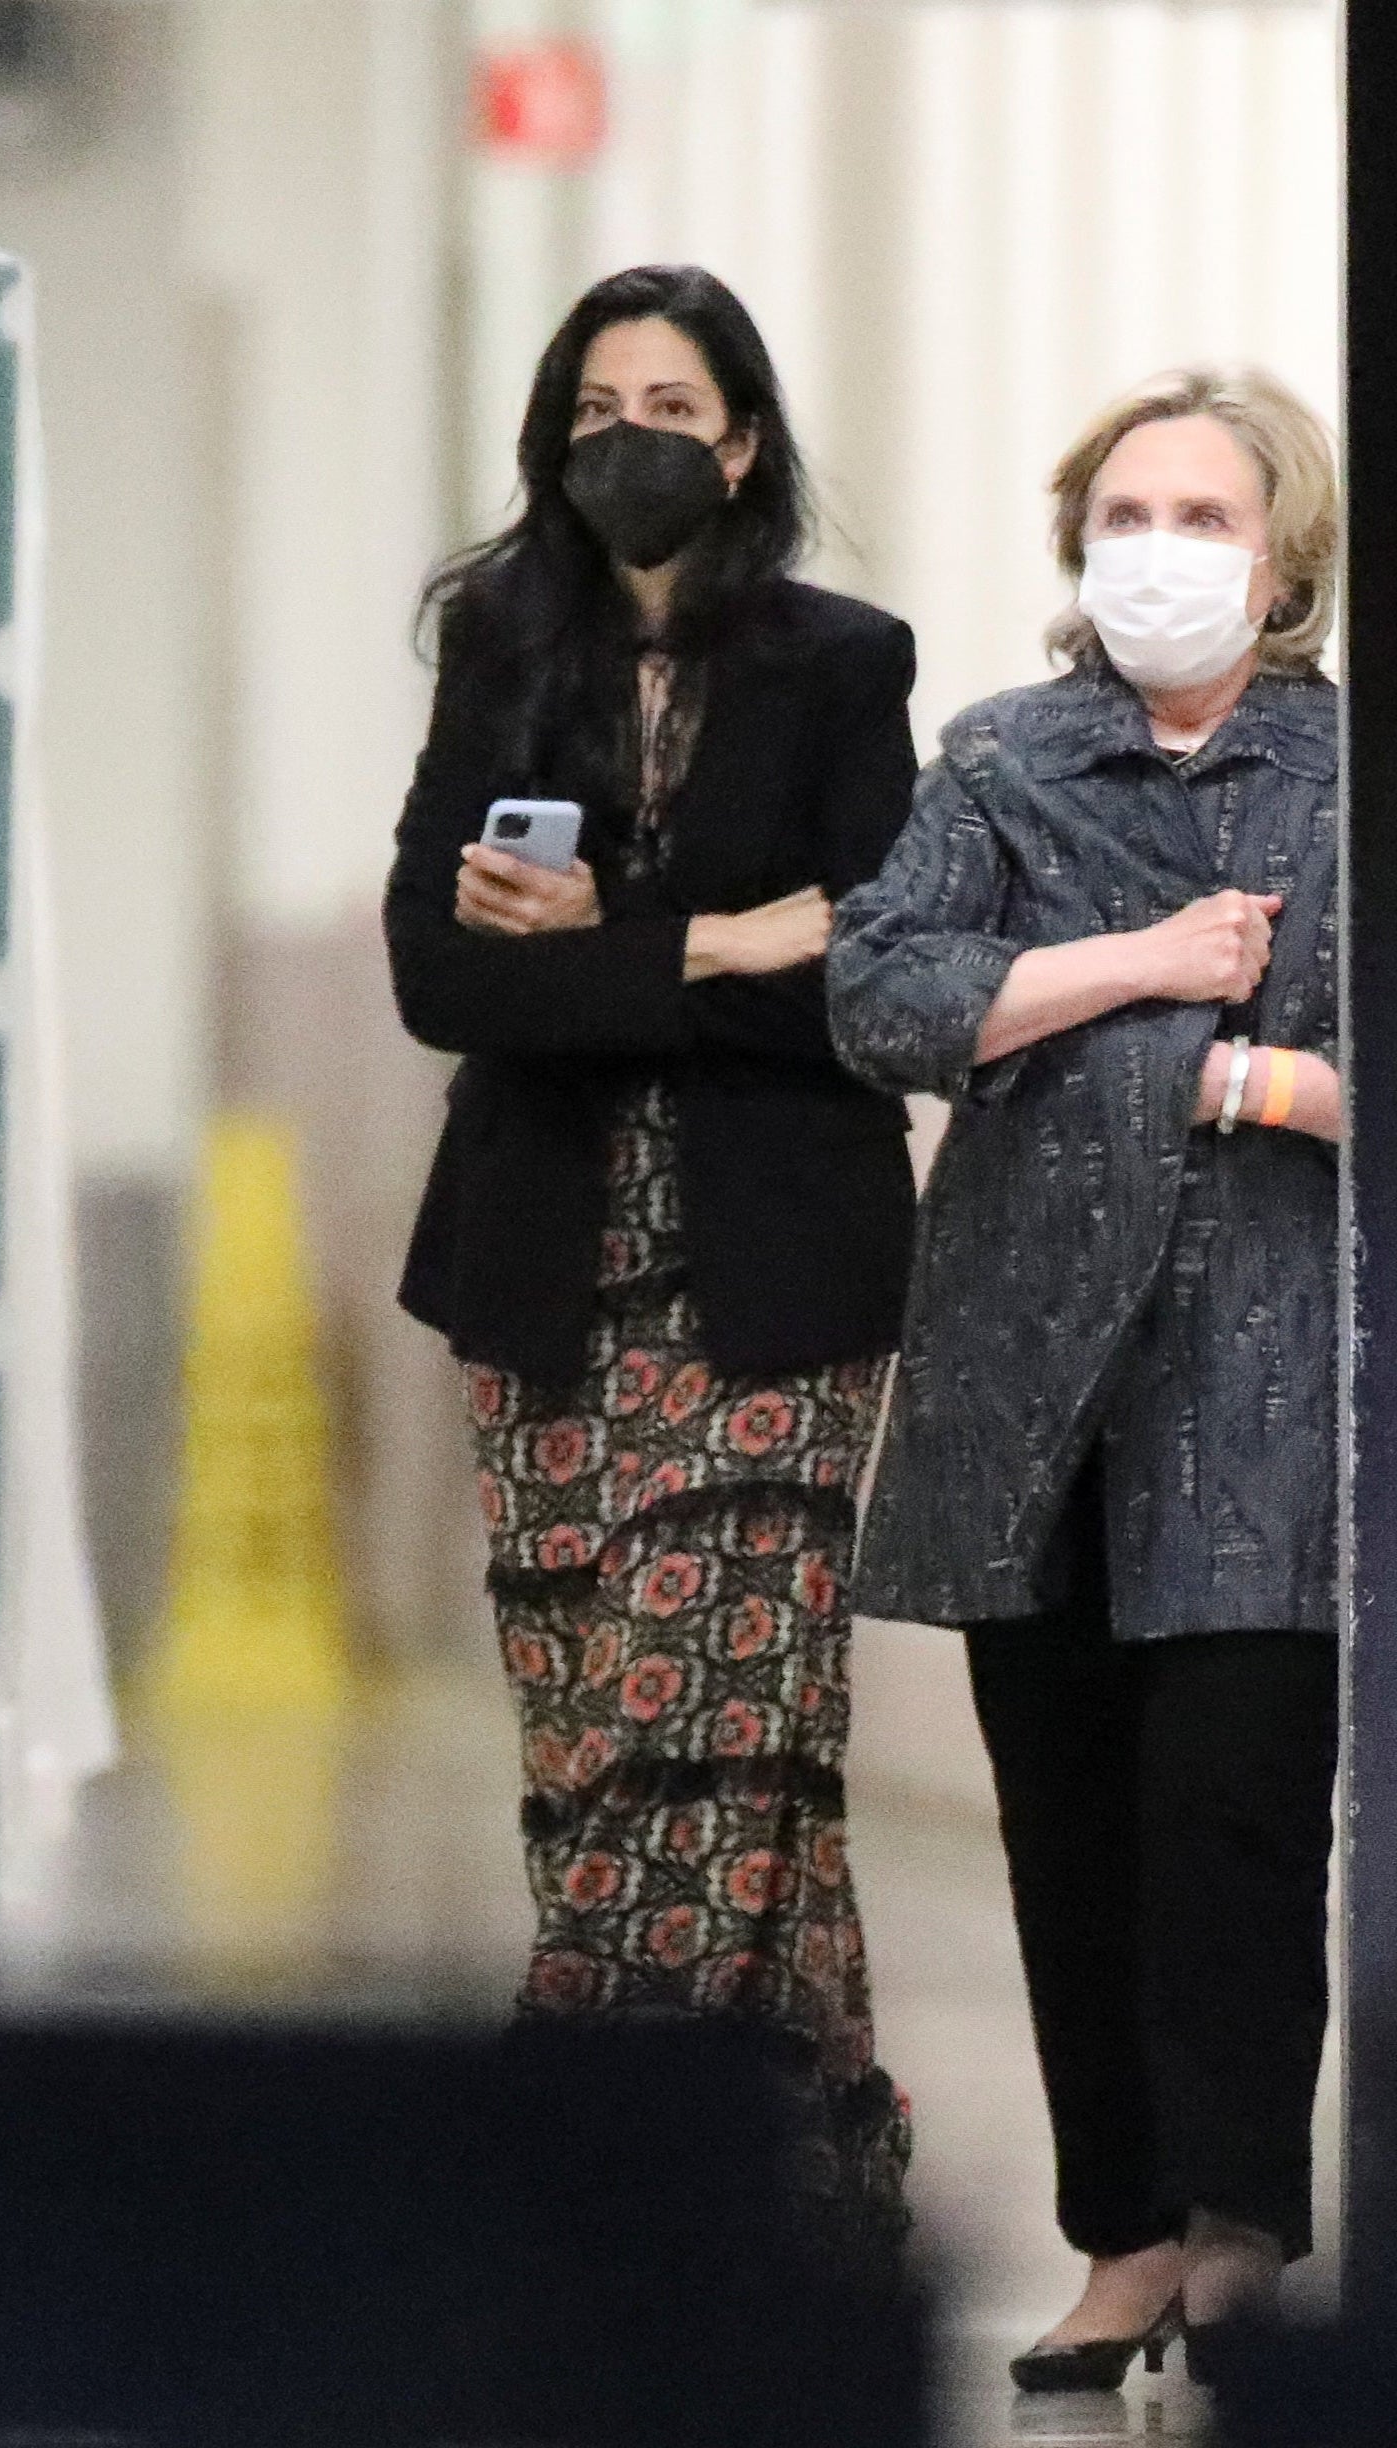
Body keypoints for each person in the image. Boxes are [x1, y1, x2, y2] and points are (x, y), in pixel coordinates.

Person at [383, 264, 921, 2239]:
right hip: (537, 1284)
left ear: (745, 439)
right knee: (612, 1741)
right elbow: (439, 975)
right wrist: (719, 938)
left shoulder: (847, 665)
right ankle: (816, 2186)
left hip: (774, 1283)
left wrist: (608, 952)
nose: (634, 433)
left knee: (718, 1724)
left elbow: (875, 973)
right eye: (599, 399)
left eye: (674, 401)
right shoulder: (493, 645)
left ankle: (565, 2161)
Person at [828, 366, 1345, 2387]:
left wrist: (1253, 1075)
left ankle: (1237, 2228)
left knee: (1232, 1814)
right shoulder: (1003, 760)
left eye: (1202, 519)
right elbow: (889, 992)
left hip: (1265, 1373)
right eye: (1124, 516)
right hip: (1030, 1383)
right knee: (1070, 1822)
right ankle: (1119, 2235)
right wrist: (1150, 969)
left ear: (1283, 552)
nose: (1157, 554)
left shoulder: (1348, 774)